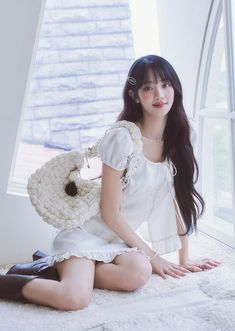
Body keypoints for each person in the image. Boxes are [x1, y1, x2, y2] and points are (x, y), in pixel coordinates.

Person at [0, 54, 220, 310]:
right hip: (85, 235)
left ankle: (55, 269)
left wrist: (184, 258)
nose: (159, 94)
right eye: (148, 87)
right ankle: (36, 274)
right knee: (74, 298)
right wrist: (154, 256)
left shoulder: (180, 136)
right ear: (135, 95)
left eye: (165, 84)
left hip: (117, 242)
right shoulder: (123, 139)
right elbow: (110, 214)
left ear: (175, 87)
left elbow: (176, 198)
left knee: (139, 273)